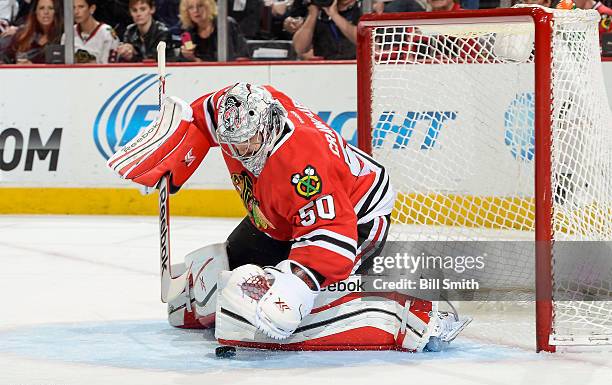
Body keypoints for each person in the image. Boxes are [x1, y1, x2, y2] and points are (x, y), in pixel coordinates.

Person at [107, 83, 471, 351]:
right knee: (210, 284)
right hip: (279, 216)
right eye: (232, 145)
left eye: (248, 143)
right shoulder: (240, 108)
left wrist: (297, 286)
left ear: (269, 126)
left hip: (356, 218)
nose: (241, 153)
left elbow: (333, 233)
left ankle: (408, 310)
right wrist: (176, 148)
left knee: (262, 314)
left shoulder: (302, 164)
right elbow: (203, 117)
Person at [177, 0, 248, 61]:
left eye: (200, 6)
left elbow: (243, 54)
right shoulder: (188, 33)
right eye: (190, 7)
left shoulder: (226, 24)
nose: (196, 10)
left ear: (209, 7)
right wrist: (188, 57)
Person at [292, 0, 360, 60]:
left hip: (357, 66)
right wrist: (312, 14)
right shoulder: (320, 9)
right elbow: (300, 48)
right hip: (325, 68)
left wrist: (334, 15)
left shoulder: (362, 7)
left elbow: (363, 39)